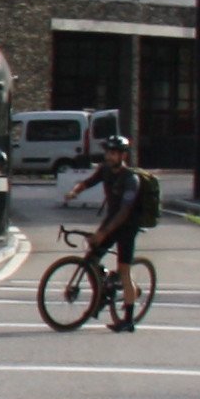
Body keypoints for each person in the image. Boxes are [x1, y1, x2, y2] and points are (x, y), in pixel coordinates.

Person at [75, 135, 157, 322]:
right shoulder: (105, 170)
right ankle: (101, 293)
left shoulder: (131, 179)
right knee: (92, 257)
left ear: (122, 156)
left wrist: (103, 233)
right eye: (108, 153)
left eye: (113, 153)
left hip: (128, 225)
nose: (109, 156)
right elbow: (89, 182)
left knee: (124, 271)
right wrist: (75, 191)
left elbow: (124, 212)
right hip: (111, 221)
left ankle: (128, 320)